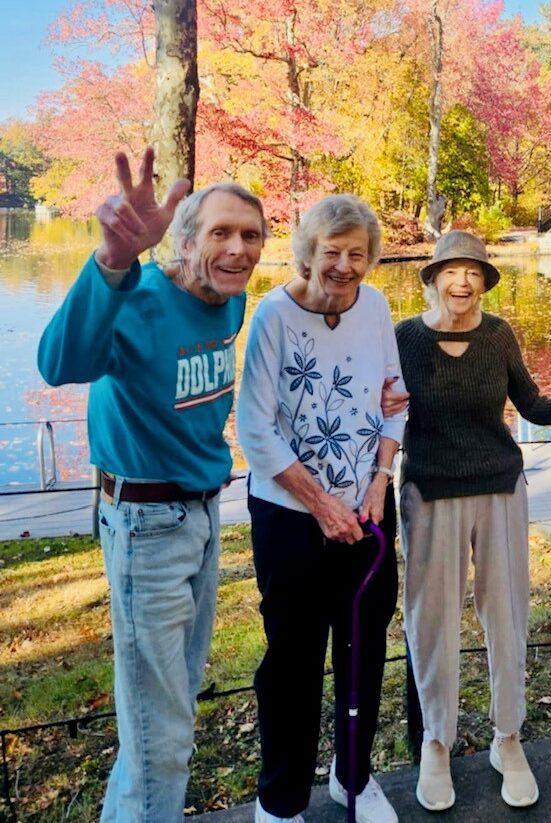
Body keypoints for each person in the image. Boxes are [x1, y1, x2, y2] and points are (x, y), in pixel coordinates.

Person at [37, 148, 267, 821]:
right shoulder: (134, 299)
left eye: (251, 235)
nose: (237, 248)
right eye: (221, 232)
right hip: (144, 527)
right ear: (186, 238)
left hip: (201, 519)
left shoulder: (231, 301)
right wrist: (111, 262)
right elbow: (56, 363)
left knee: (160, 717)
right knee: (162, 737)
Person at [395, 230, 551, 811]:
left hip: (500, 487)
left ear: (483, 281)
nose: (462, 282)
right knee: (432, 622)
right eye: (450, 272)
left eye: (473, 273)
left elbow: (530, 405)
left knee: (506, 616)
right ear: (431, 280)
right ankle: (437, 742)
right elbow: (373, 405)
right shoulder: (404, 338)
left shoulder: (499, 334)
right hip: (430, 492)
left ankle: (509, 739)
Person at [236, 194, 405, 823]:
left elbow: (395, 399)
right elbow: (254, 429)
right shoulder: (274, 315)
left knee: (363, 647)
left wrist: (380, 478)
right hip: (290, 518)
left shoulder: (379, 306)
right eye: (331, 252)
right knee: (292, 660)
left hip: (366, 510)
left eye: (356, 254)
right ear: (308, 251)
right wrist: (320, 503)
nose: (343, 265)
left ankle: (352, 778)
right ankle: (280, 801)